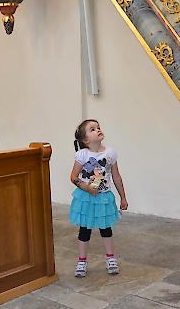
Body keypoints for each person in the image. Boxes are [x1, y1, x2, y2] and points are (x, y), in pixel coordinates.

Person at [69, 119, 128, 278]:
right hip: (86, 197)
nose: (98, 130)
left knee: (106, 228)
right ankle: (82, 261)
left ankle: (110, 258)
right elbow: (73, 177)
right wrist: (86, 187)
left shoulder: (110, 154)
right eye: (92, 129)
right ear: (86, 140)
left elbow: (116, 176)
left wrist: (123, 197)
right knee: (84, 229)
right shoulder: (82, 155)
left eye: (98, 127)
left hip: (103, 197)